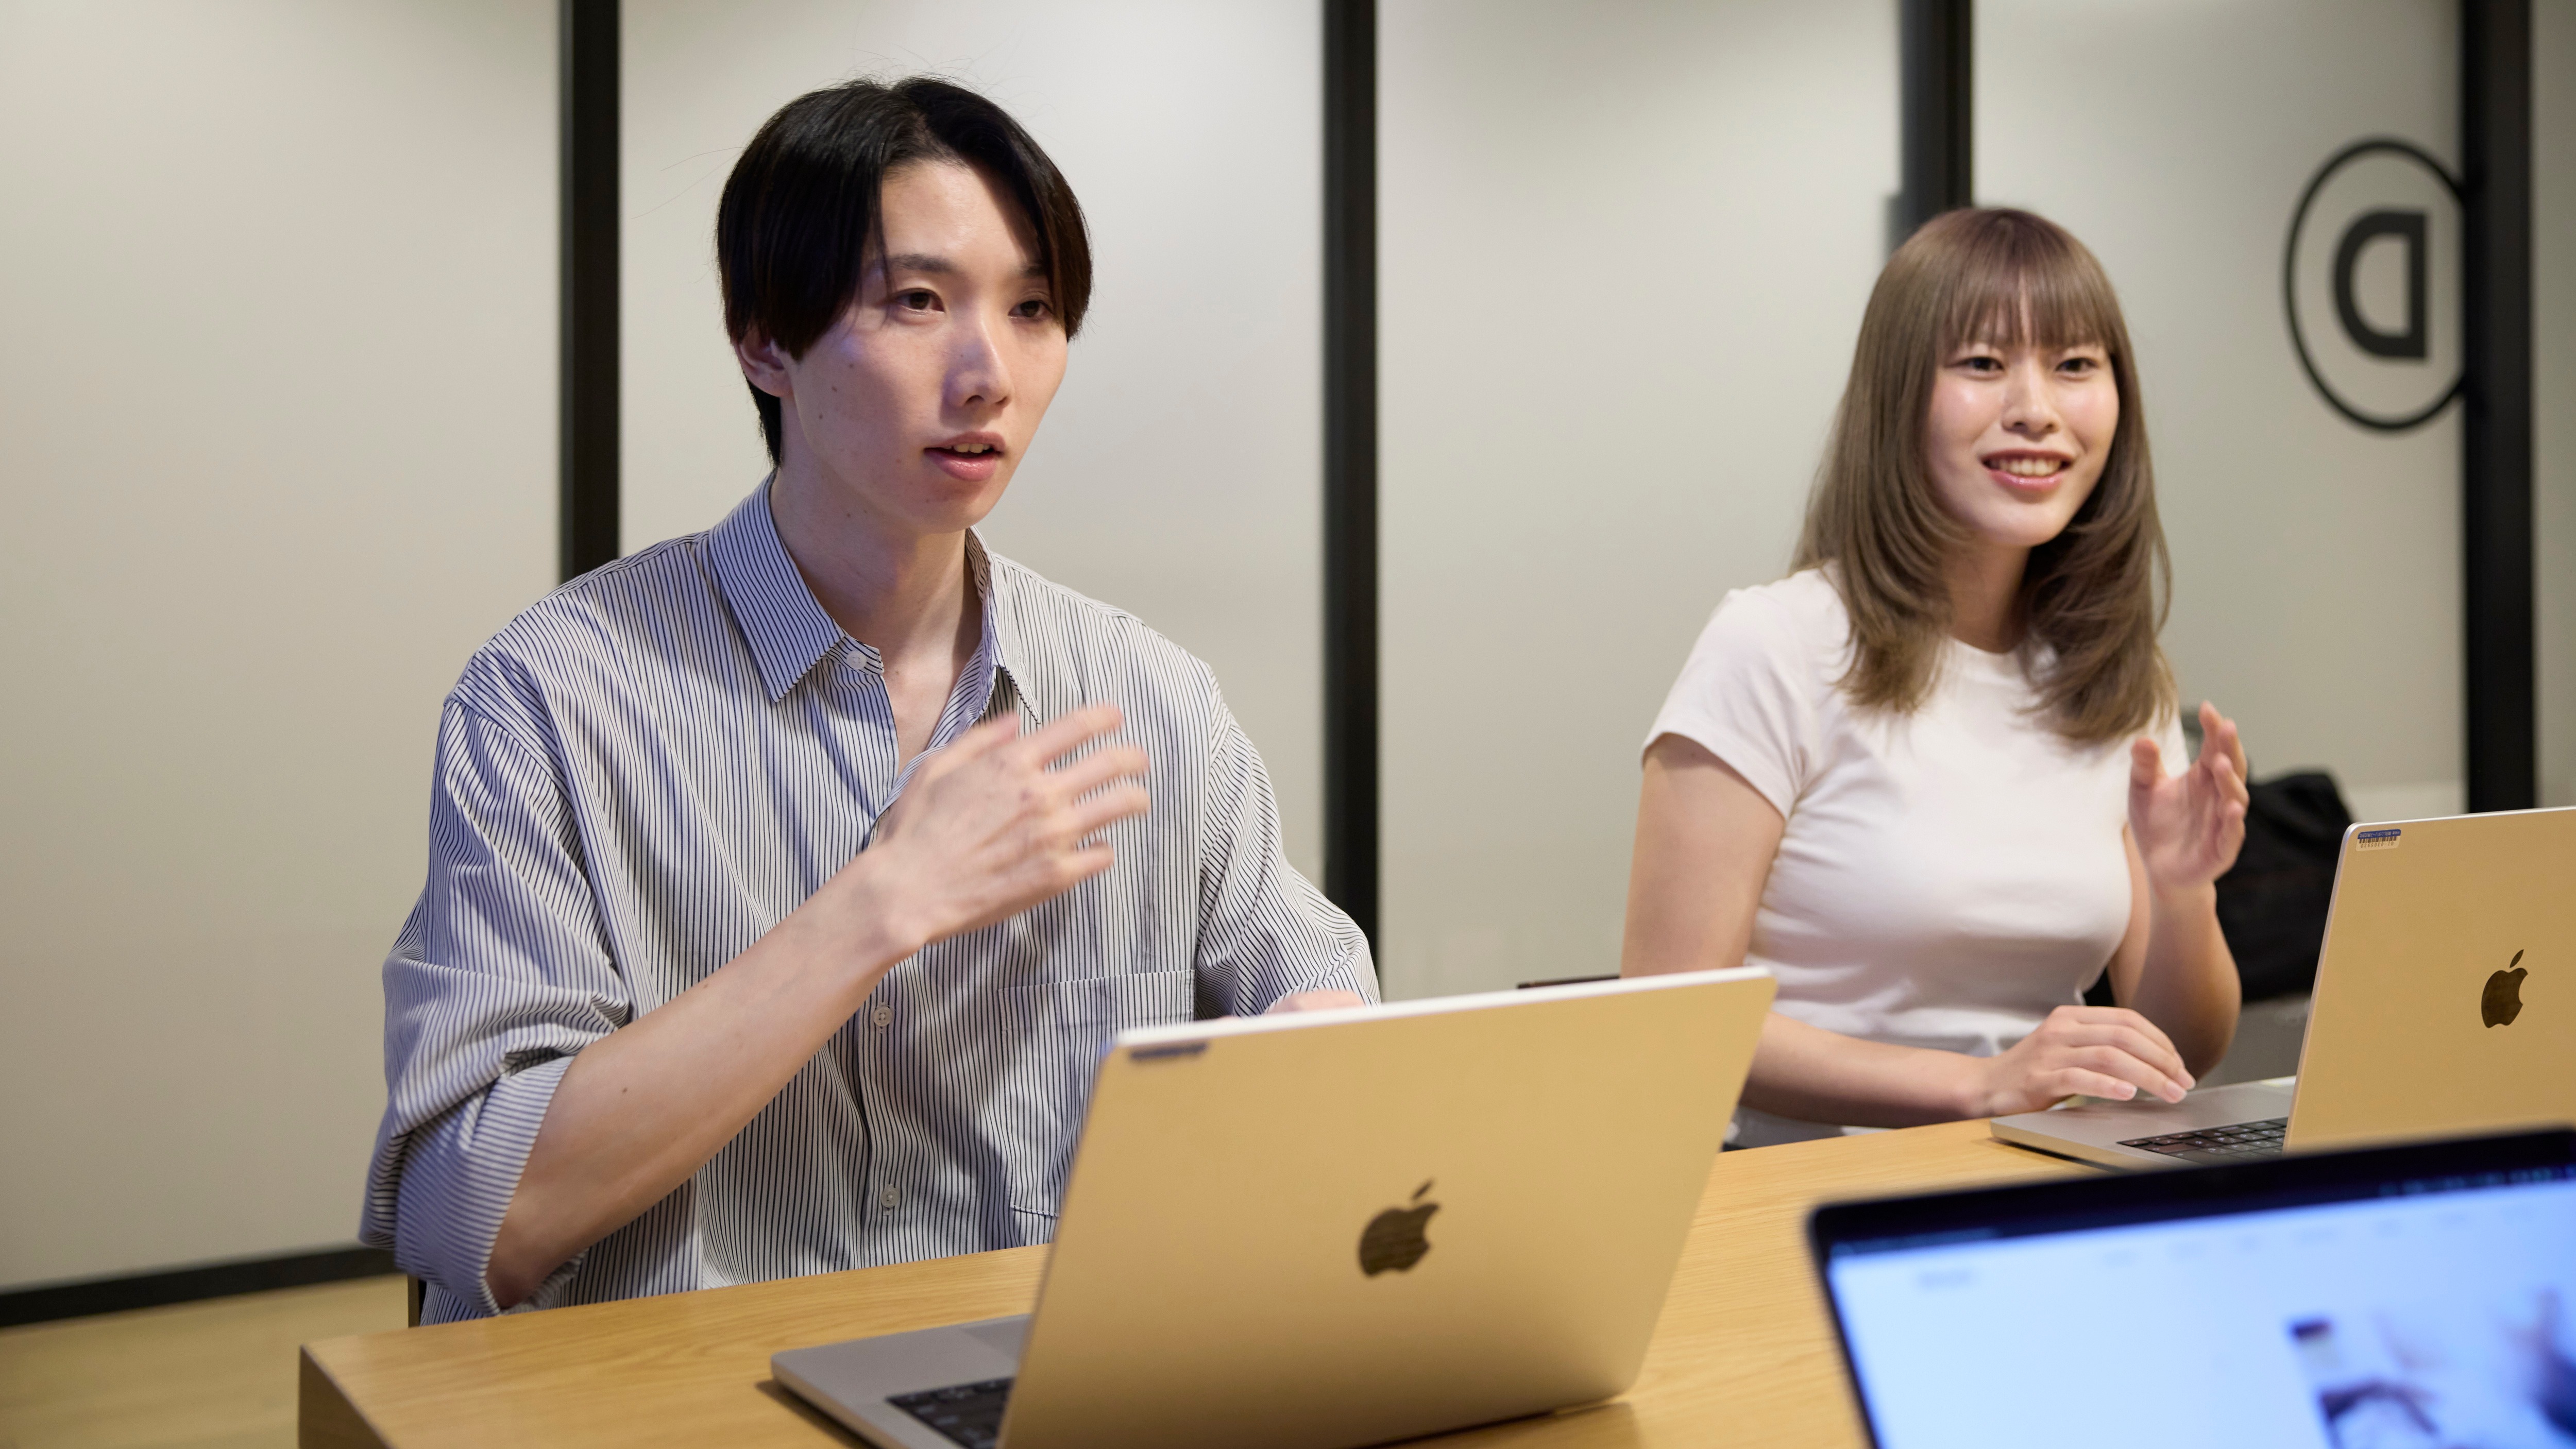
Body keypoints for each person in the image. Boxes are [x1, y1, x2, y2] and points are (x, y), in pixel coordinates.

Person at [362, 77, 1371, 1322]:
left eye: (1033, 308)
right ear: (763, 341)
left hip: (1042, 1383)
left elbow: (1322, 1013)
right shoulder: (554, 700)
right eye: (917, 302)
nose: (988, 373)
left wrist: (1321, 1046)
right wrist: (878, 907)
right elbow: (480, 1216)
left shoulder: (1147, 701)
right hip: (679, 1396)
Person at [1621, 208, 2247, 1147]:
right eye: (1983, 364)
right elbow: (1670, 1016)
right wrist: (1981, 1084)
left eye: (2075, 365)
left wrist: (2183, 890)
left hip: (2039, 1181)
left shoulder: (2113, 677)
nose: (2035, 408)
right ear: (1899, 396)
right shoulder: (1774, 646)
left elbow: (2178, 1053)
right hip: (1803, 1194)